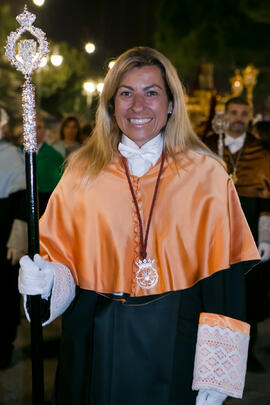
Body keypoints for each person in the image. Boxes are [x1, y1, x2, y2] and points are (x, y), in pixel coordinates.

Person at [19, 47, 260, 405]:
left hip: (179, 342)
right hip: (96, 341)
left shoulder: (207, 175)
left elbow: (222, 279)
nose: (138, 106)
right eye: (126, 93)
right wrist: (47, 279)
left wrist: (216, 375)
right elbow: (62, 259)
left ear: (171, 103)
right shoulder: (81, 173)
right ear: (111, 104)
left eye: (151, 93)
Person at [203, 97, 270, 372]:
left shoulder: (262, 152)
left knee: (250, 292)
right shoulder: (207, 146)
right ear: (225, 115)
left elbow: (267, 198)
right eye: (234, 113)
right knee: (212, 289)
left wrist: (265, 236)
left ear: (250, 116)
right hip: (212, 229)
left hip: (250, 228)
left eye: (244, 113)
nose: (239, 118)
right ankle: (208, 351)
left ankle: (247, 351)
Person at [0, 108, 27, 368]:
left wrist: (18, 238)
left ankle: (4, 346)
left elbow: (22, 204)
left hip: (4, 234)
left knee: (5, 293)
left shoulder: (13, 157)